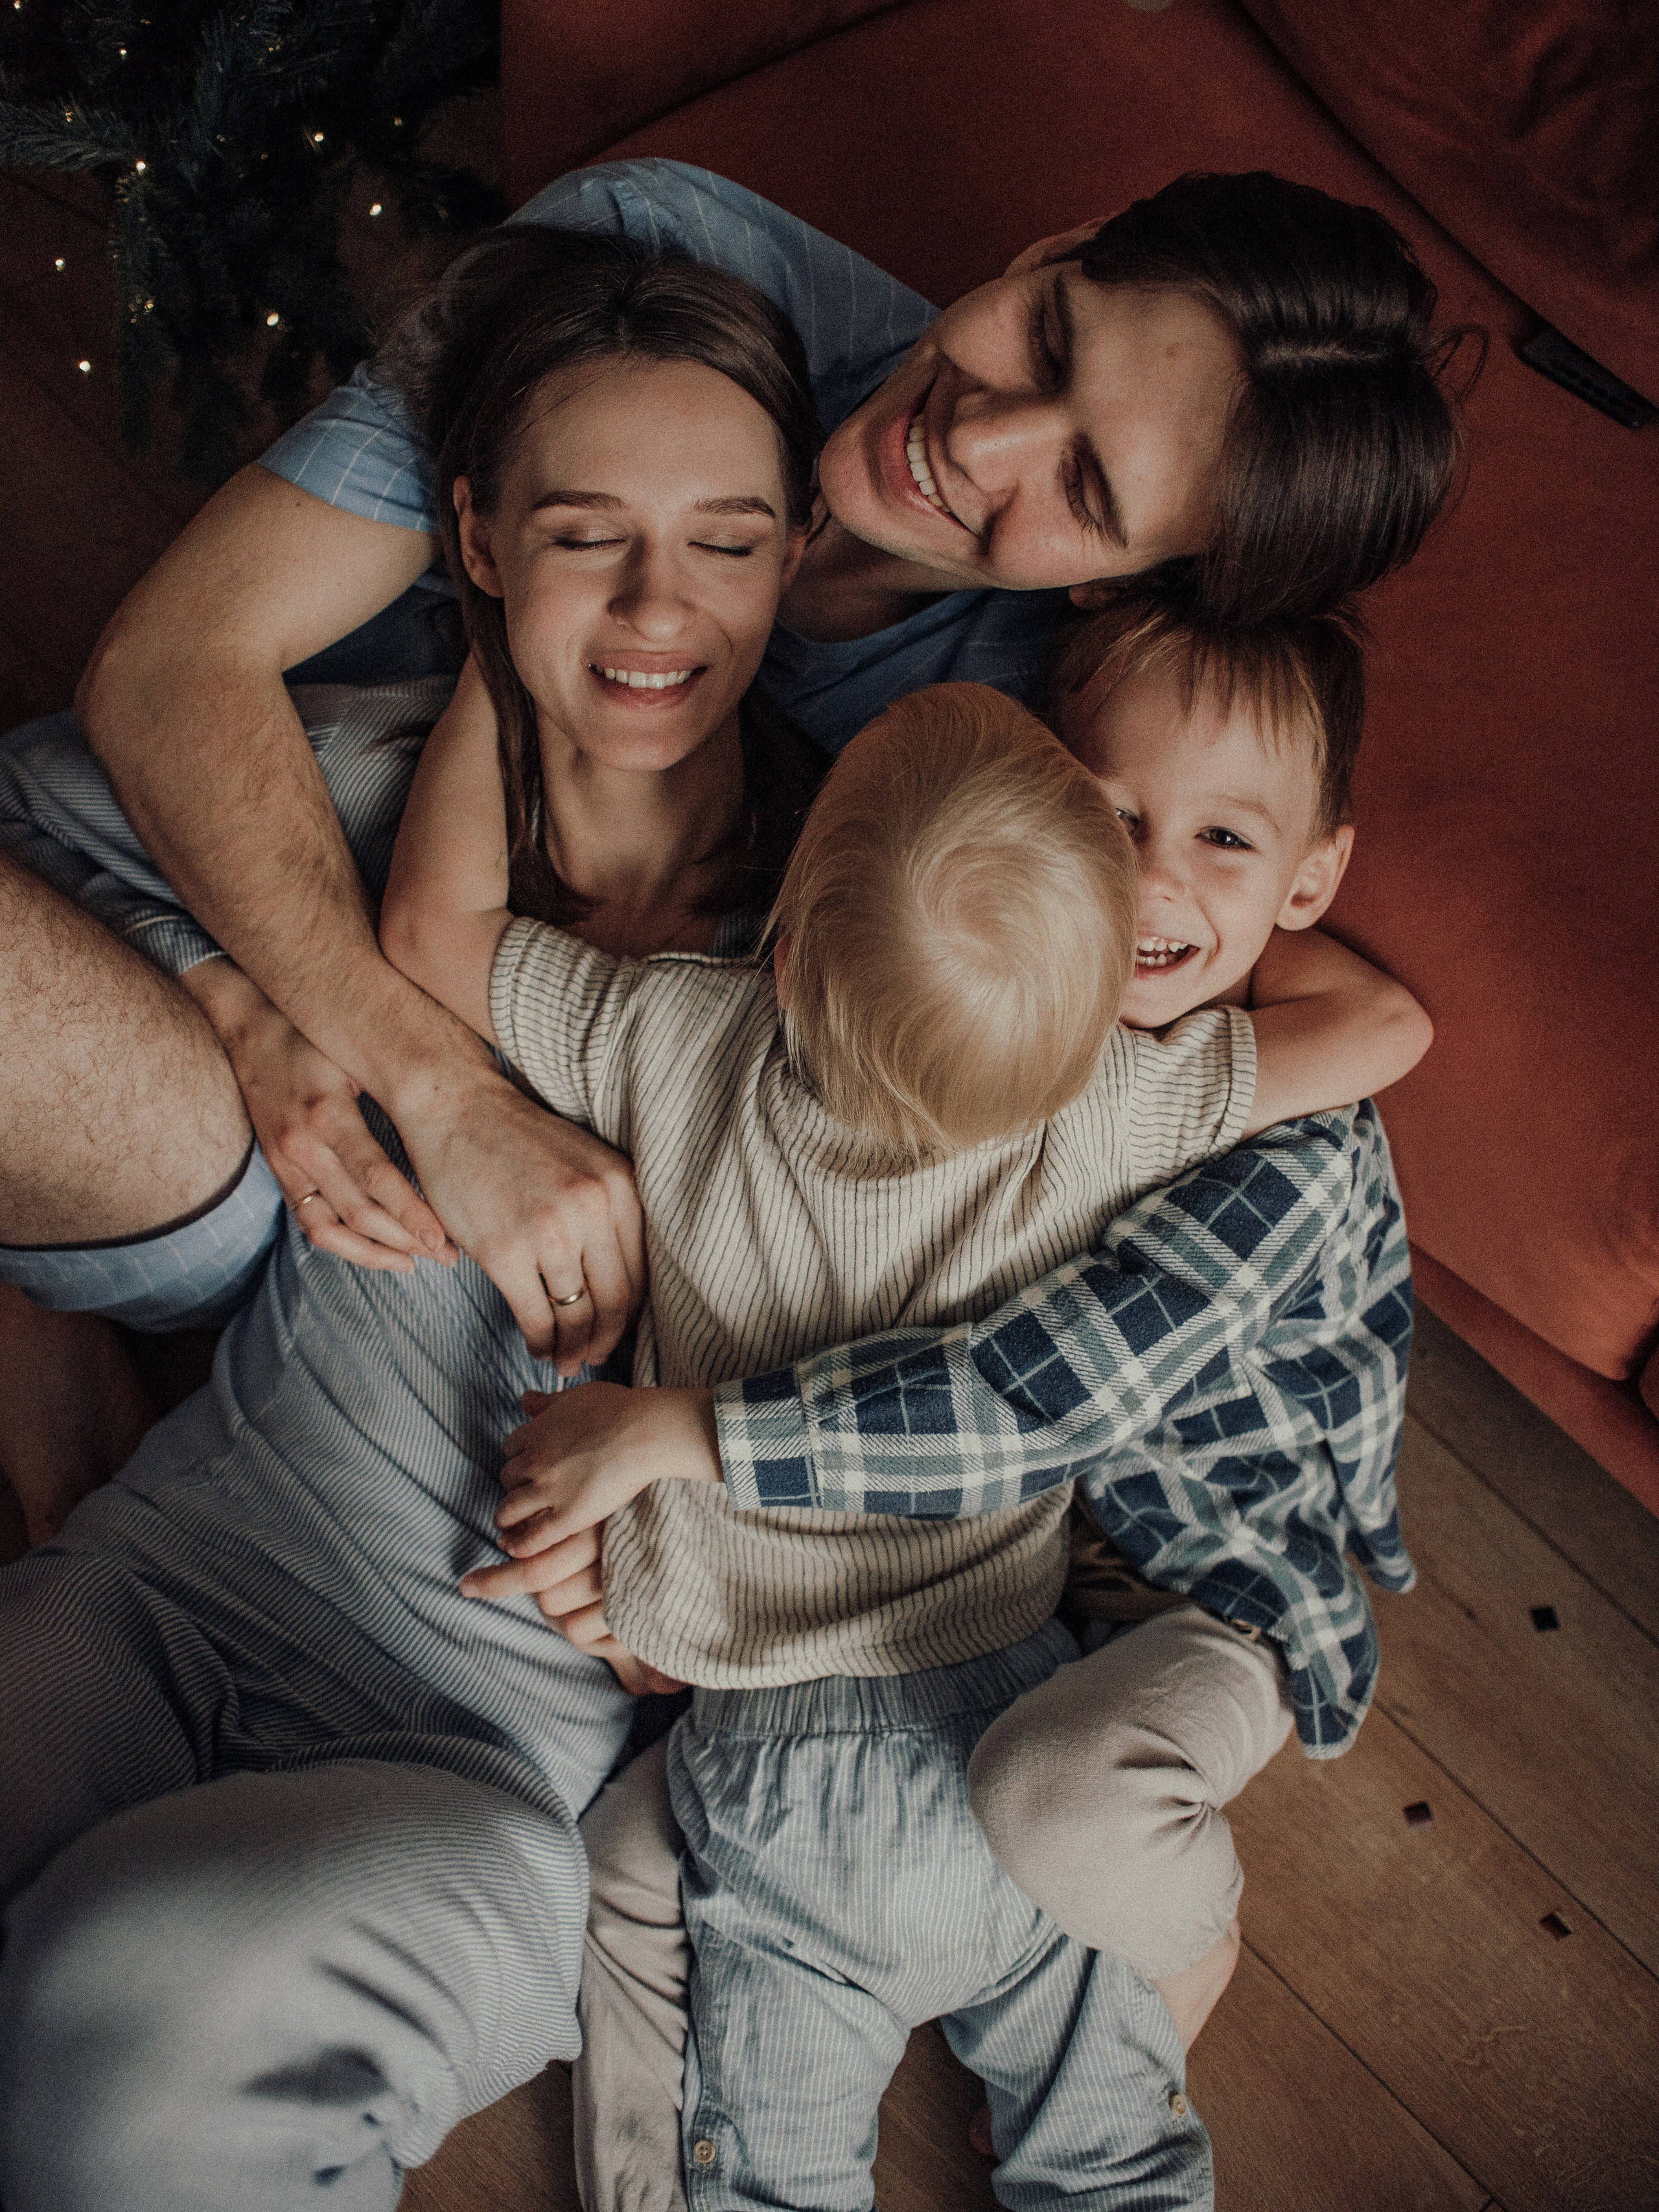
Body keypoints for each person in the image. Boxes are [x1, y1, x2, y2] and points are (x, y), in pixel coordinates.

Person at [0, 157, 1461, 1403]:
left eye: (1082, 491)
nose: (973, 437)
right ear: (1051, 250)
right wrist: (389, 1064)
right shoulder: (654, 266)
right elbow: (171, 664)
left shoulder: (1047, 720)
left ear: (1124, 584)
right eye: (1048, 336)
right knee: (183, 1173)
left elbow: (1243, 958)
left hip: (465, 1164)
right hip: (203, 873)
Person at [380, 670, 1427, 2211]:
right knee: (1114, 2156)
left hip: (760, 1774)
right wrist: (1230, 904)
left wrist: (495, 674)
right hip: (1000, 1711)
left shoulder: (667, 1027)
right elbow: (1380, 1030)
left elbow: (429, 930)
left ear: (782, 949)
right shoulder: (1109, 1106)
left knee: (680, 1998)